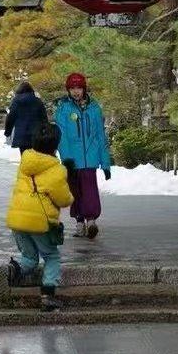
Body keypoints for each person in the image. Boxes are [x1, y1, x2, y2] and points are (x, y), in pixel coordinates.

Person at [5, 122, 73, 312]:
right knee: (51, 256)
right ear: (55, 146)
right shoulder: (56, 170)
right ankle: (47, 296)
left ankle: (12, 270)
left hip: (17, 219)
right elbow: (63, 199)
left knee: (29, 259)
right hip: (39, 222)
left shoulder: (25, 162)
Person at [54, 73, 111, 239]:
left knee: (90, 191)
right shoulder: (63, 109)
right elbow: (61, 137)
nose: (76, 91)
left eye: (78, 87)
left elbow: (101, 135)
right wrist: (67, 159)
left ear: (84, 88)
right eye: (72, 88)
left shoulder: (94, 108)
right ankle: (79, 222)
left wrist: (105, 163)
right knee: (75, 192)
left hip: (90, 159)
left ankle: (91, 221)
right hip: (73, 159)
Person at [4, 81, 48, 155]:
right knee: (36, 157)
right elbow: (44, 118)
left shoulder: (16, 101)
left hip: (22, 134)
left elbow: (11, 117)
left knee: (24, 156)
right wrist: (45, 131)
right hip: (36, 134)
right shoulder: (37, 101)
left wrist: (7, 131)